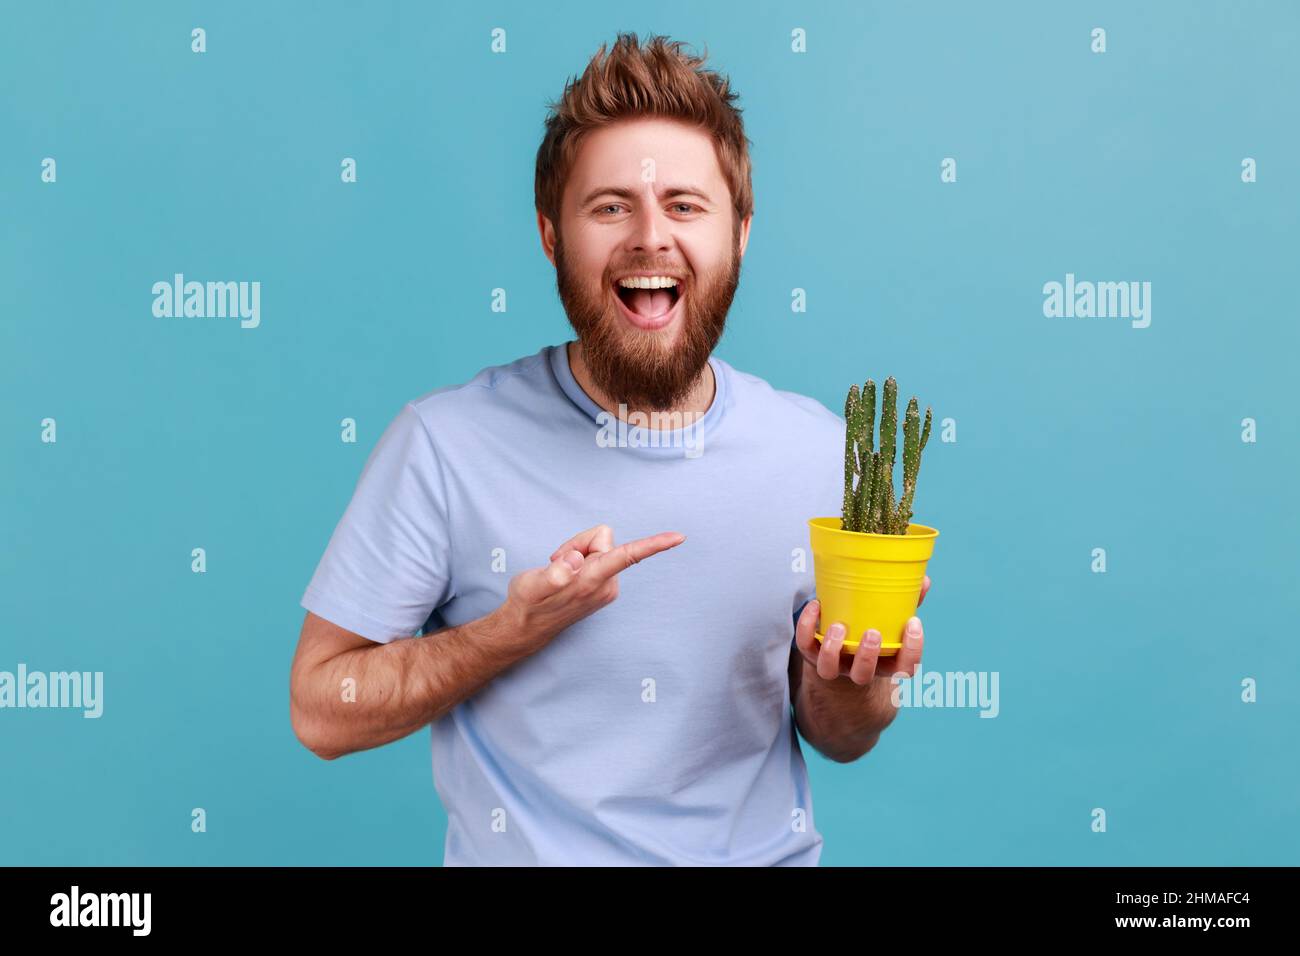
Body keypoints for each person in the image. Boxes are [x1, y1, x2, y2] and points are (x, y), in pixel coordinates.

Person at [289, 32, 929, 866]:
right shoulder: (444, 444)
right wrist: (506, 634)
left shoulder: (820, 455)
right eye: (611, 206)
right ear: (553, 237)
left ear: (741, 233)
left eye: (686, 207)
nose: (650, 238)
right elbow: (320, 710)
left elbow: (840, 737)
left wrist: (849, 687)